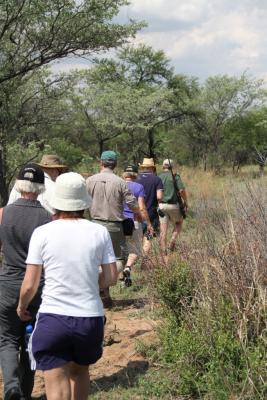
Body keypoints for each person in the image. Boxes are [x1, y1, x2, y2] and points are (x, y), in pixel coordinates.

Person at [17, 172, 117, 400]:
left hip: (54, 317)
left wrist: (22, 306)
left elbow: (30, 284)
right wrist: (94, 285)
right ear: (83, 203)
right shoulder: (99, 232)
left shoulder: (42, 233)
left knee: (55, 375)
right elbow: (111, 276)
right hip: (89, 317)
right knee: (80, 372)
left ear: (56, 203)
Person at [0, 163, 51, 400]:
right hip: (36, 284)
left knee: (7, 338)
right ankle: (26, 391)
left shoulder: (3, 213)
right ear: (41, 187)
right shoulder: (47, 218)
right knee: (30, 340)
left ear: (18, 185)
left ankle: (11, 387)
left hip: (8, 281)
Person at [86, 151, 139, 305]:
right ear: (115, 165)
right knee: (119, 259)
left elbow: (82, 203)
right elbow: (133, 204)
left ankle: (102, 293)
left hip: (94, 225)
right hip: (115, 227)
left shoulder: (89, 180)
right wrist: (138, 213)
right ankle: (101, 287)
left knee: (96, 260)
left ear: (101, 163)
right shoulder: (121, 182)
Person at [122, 165, 153, 286]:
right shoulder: (139, 187)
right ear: (136, 175)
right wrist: (148, 223)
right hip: (134, 221)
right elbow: (141, 207)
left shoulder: (118, 184)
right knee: (135, 249)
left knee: (121, 250)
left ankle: (122, 277)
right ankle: (128, 267)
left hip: (119, 221)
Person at [158, 159, 188, 253]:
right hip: (173, 206)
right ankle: (172, 241)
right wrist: (186, 201)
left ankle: (163, 251)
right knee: (179, 222)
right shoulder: (175, 176)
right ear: (172, 167)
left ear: (163, 166)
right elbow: (181, 191)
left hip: (161, 206)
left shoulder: (159, 177)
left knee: (163, 229)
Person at [136, 158, 164, 256]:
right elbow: (159, 196)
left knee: (135, 239)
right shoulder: (157, 179)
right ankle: (144, 262)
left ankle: (132, 261)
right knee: (148, 238)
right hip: (151, 214)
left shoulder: (136, 178)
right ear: (153, 168)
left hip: (135, 213)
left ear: (143, 167)